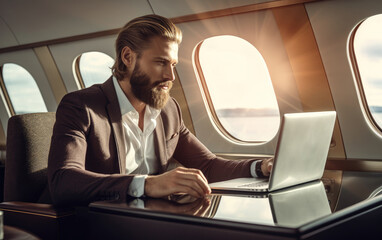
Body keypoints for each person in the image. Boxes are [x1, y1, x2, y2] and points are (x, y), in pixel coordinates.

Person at [48, 14, 273, 206]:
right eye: (160, 63)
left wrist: (259, 167)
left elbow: (208, 165)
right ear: (127, 57)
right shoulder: (81, 106)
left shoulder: (168, 110)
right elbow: (63, 181)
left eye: (172, 64)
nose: (170, 76)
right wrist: (148, 184)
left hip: (152, 219)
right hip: (99, 224)